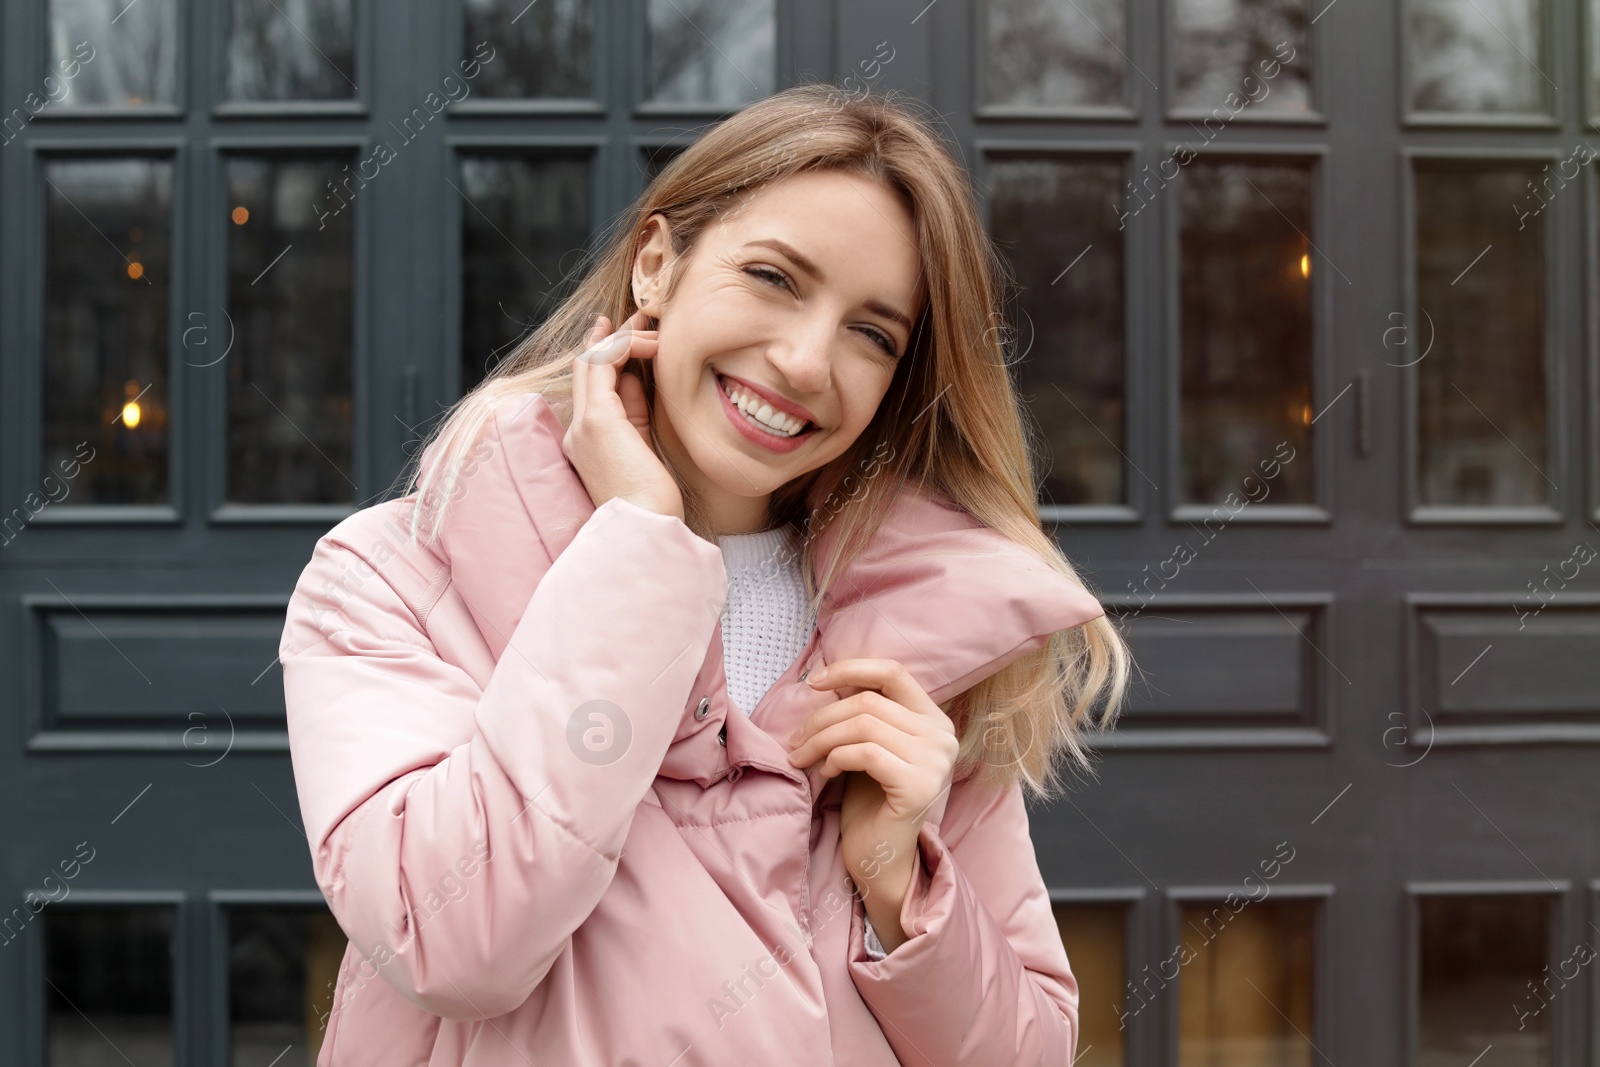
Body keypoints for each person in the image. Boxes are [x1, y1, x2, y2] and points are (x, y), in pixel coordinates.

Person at [280, 81, 1130, 1066]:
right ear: (656, 266)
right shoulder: (391, 581)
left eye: (872, 333)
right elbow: (452, 938)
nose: (807, 359)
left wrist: (899, 882)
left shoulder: (920, 637)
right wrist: (639, 541)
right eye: (772, 277)